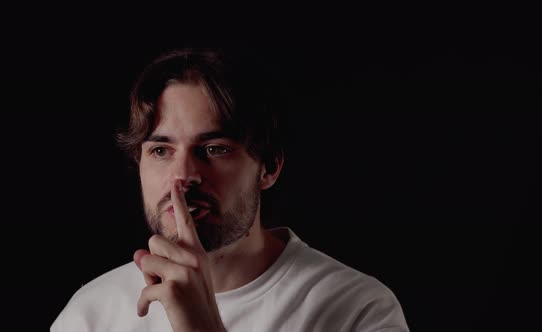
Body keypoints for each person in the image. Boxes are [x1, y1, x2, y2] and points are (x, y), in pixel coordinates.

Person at [51, 47, 409, 332]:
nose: (184, 176)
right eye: (161, 151)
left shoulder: (358, 309)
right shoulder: (91, 314)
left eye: (213, 149)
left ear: (268, 167)